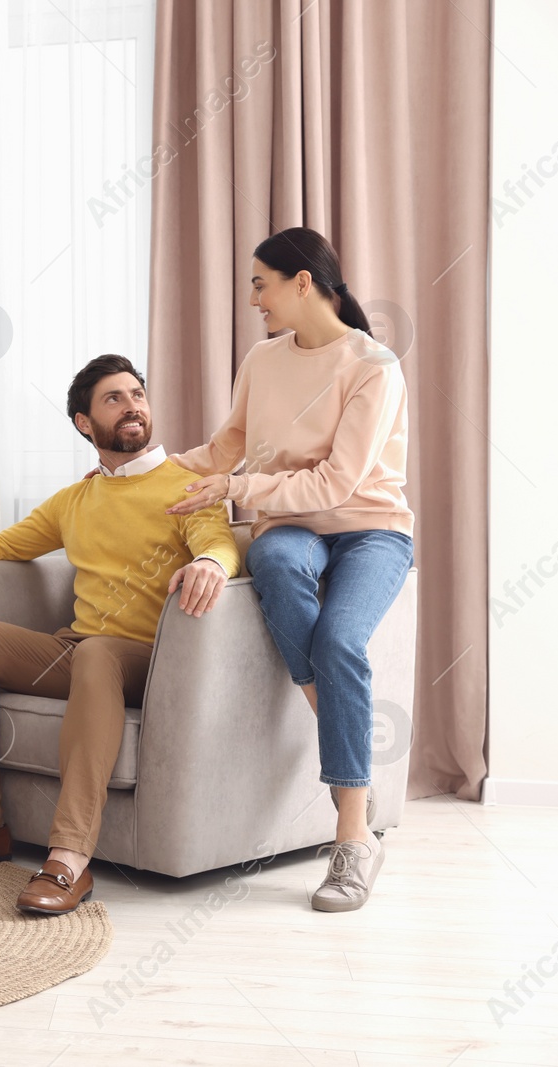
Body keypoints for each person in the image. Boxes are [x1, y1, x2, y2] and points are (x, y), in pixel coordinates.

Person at [0, 355, 240, 915]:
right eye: (114, 399)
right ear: (84, 423)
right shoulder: (77, 499)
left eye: (137, 395)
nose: (132, 407)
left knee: (97, 653)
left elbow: (217, 539)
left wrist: (214, 565)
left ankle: (69, 858)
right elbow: (8, 543)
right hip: (81, 653)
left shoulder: (187, 485)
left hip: (150, 660)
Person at [167, 226, 413, 913]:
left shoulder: (374, 366)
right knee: (273, 557)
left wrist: (238, 488)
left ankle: (353, 838)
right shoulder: (263, 359)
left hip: (372, 531)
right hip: (291, 530)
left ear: (302, 282)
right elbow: (227, 447)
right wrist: (143, 468)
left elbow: (337, 484)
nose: (253, 299)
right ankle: (339, 715)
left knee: (340, 639)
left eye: (259, 283)